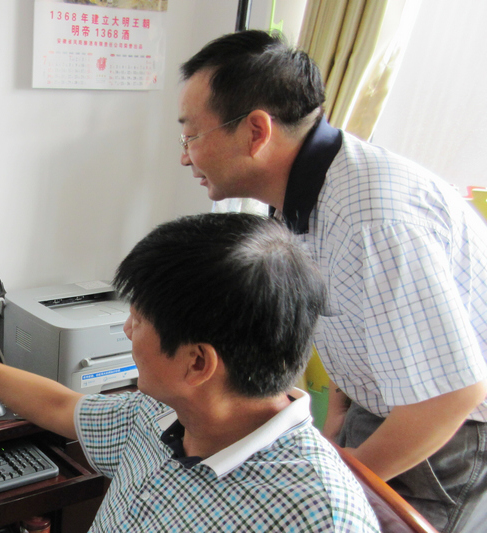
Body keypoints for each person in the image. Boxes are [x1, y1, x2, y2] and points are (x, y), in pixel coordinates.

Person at [0, 213, 379, 532]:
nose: (126, 329)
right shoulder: (160, 414)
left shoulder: (319, 515)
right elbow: (60, 406)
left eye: (139, 320)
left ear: (197, 363)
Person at [177, 29, 487, 533]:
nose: (185, 156)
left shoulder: (372, 221)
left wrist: (338, 483)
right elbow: (358, 318)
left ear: (256, 131)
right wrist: (339, 415)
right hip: (383, 404)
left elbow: (450, 396)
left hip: (444, 434)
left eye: (192, 136)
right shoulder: (309, 190)